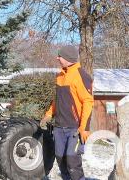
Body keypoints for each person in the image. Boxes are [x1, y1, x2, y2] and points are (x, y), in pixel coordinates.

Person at [39, 45, 93, 180]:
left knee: (72, 160)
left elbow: (88, 102)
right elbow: (57, 100)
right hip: (59, 127)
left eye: (60, 56)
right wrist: (48, 114)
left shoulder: (82, 76)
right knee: (61, 159)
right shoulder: (60, 76)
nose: (57, 58)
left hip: (75, 128)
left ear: (68, 58)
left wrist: (84, 128)